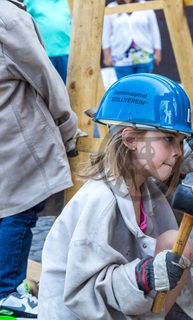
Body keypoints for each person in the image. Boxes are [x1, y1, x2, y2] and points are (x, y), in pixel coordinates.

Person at [38, 74, 193, 319]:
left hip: (121, 306)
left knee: (177, 243)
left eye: (181, 142)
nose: (177, 152)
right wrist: (145, 274)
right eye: (169, 139)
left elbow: (161, 227)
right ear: (129, 139)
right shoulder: (99, 200)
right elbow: (83, 293)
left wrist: (178, 170)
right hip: (81, 313)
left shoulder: (145, 188)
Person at [0, 0, 79, 318]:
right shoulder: (8, 16)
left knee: (6, 206)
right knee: (21, 208)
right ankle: (6, 292)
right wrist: (68, 126)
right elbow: (45, 76)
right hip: (15, 124)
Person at [102, 0, 162, 80]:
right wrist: (106, 55)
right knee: (125, 88)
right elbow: (105, 33)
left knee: (144, 86)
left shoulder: (145, 5)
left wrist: (158, 51)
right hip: (120, 57)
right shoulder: (111, 8)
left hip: (144, 55)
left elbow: (154, 31)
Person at [24, 0, 72, 83]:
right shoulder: (31, 1)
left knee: (70, 89)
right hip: (44, 55)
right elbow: (23, 23)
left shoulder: (69, 2)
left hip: (67, 53)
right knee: (49, 88)